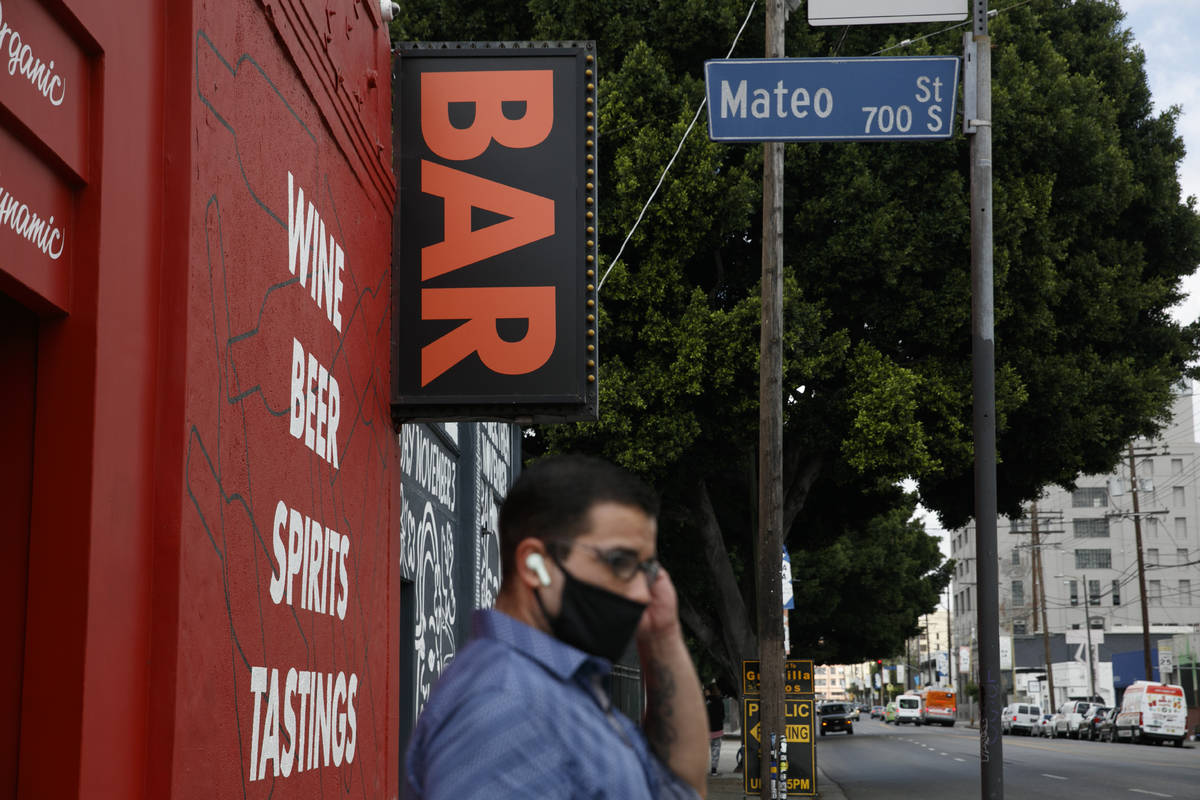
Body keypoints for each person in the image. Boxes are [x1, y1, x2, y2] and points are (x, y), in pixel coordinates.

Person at [404, 455, 709, 799]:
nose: (642, 593)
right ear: (534, 565)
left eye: (647, 570)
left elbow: (680, 789)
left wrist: (662, 633)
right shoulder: (506, 707)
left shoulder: (560, 690)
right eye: (619, 562)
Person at [705, 685, 725, 776]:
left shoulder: (704, 701)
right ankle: (714, 770)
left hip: (705, 730)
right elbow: (723, 715)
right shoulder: (719, 701)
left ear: (709, 691)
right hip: (717, 729)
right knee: (716, 750)